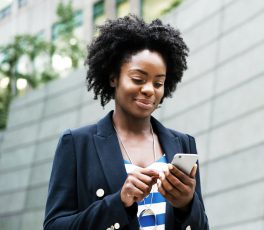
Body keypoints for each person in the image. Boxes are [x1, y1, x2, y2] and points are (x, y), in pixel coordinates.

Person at [44, 15, 209, 230]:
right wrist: (118, 202)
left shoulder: (183, 143)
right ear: (113, 77)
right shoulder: (76, 144)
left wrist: (187, 205)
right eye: (138, 79)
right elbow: (54, 226)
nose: (149, 89)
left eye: (158, 82)